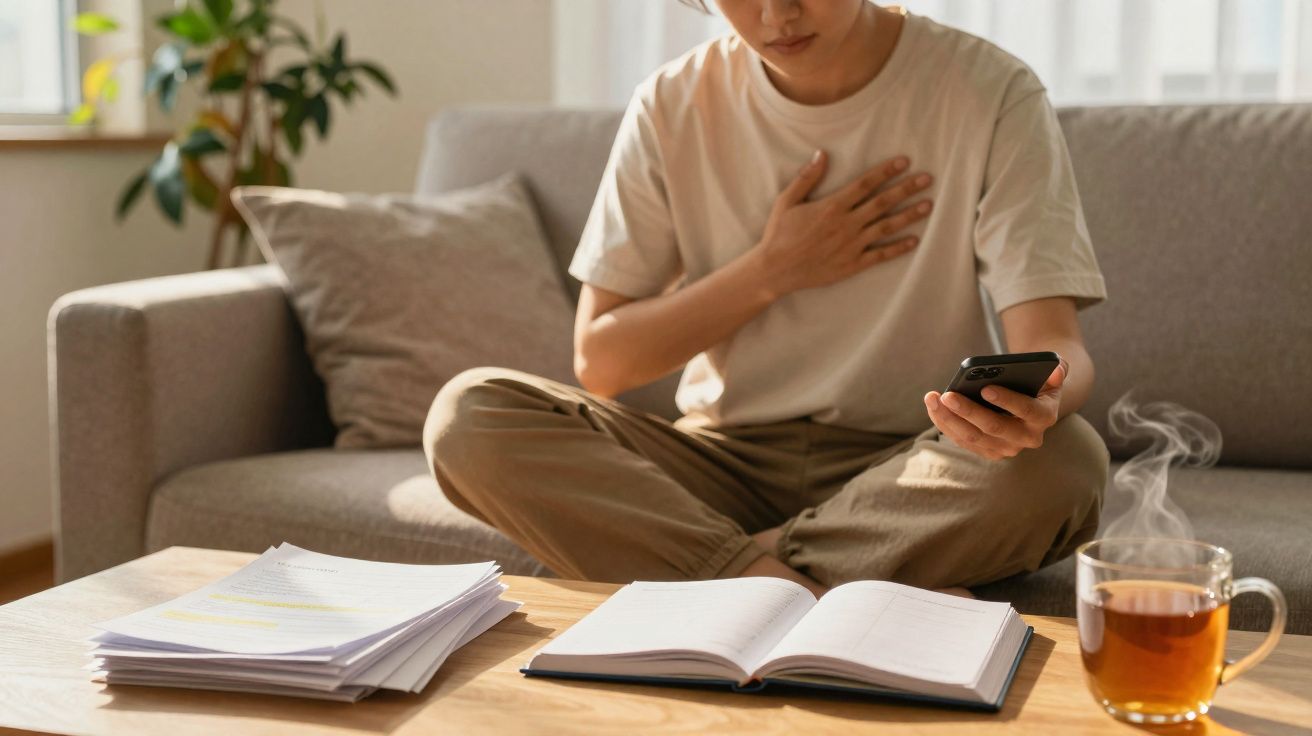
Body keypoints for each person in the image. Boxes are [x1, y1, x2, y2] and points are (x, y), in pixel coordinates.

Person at [424, 0, 1109, 598]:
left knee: (1066, 462)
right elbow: (603, 363)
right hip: (719, 463)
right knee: (468, 414)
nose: (776, 16)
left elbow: (1056, 345)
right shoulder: (672, 103)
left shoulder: (991, 90)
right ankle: (806, 589)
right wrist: (772, 270)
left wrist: (1041, 399)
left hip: (911, 467)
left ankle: (734, 574)